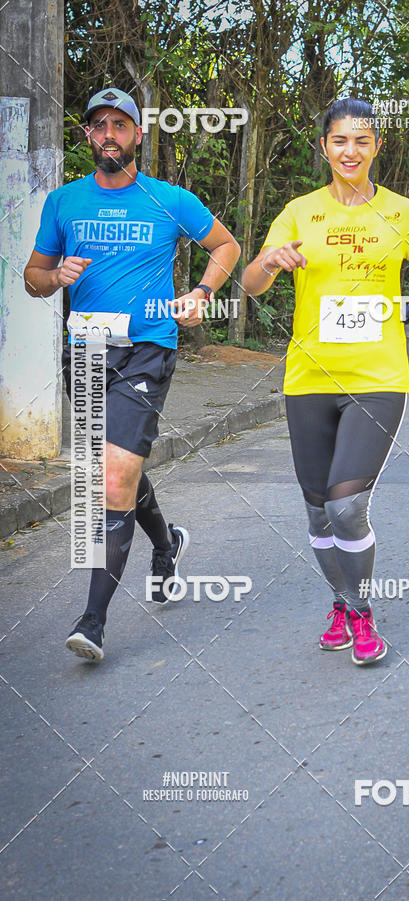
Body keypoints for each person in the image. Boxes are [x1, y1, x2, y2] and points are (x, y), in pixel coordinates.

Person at [24, 87, 240, 661]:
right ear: (89, 136)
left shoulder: (169, 199)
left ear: (139, 134)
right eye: (100, 125)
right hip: (87, 349)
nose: (110, 134)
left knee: (113, 479)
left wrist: (201, 292)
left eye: (122, 125)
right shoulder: (64, 202)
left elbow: (226, 246)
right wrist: (55, 277)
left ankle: (92, 621)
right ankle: (166, 544)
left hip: (147, 349)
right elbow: (32, 276)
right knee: (114, 468)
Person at [242, 97, 409, 665]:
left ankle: (361, 612)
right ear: (324, 147)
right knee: (316, 510)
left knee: (344, 508)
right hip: (308, 377)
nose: (350, 150)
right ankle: (339, 600)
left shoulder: (402, 212)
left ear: (376, 147)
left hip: (379, 376)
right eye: (340, 140)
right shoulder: (298, 211)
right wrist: (270, 262)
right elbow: (250, 282)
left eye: (362, 140)